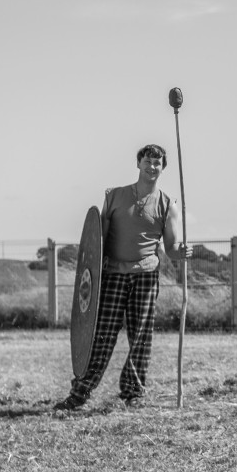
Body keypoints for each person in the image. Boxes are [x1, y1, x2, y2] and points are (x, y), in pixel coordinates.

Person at [54, 144, 187, 411]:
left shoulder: (167, 204)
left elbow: (172, 249)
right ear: (138, 164)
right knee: (102, 334)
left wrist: (181, 252)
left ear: (163, 168)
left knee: (141, 336)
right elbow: (98, 240)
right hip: (113, 274)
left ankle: (133, 393)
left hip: (146, 276)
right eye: (148, 161)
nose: (152, 166)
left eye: (158, 163)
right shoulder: (114, 196)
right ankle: (80, 391)